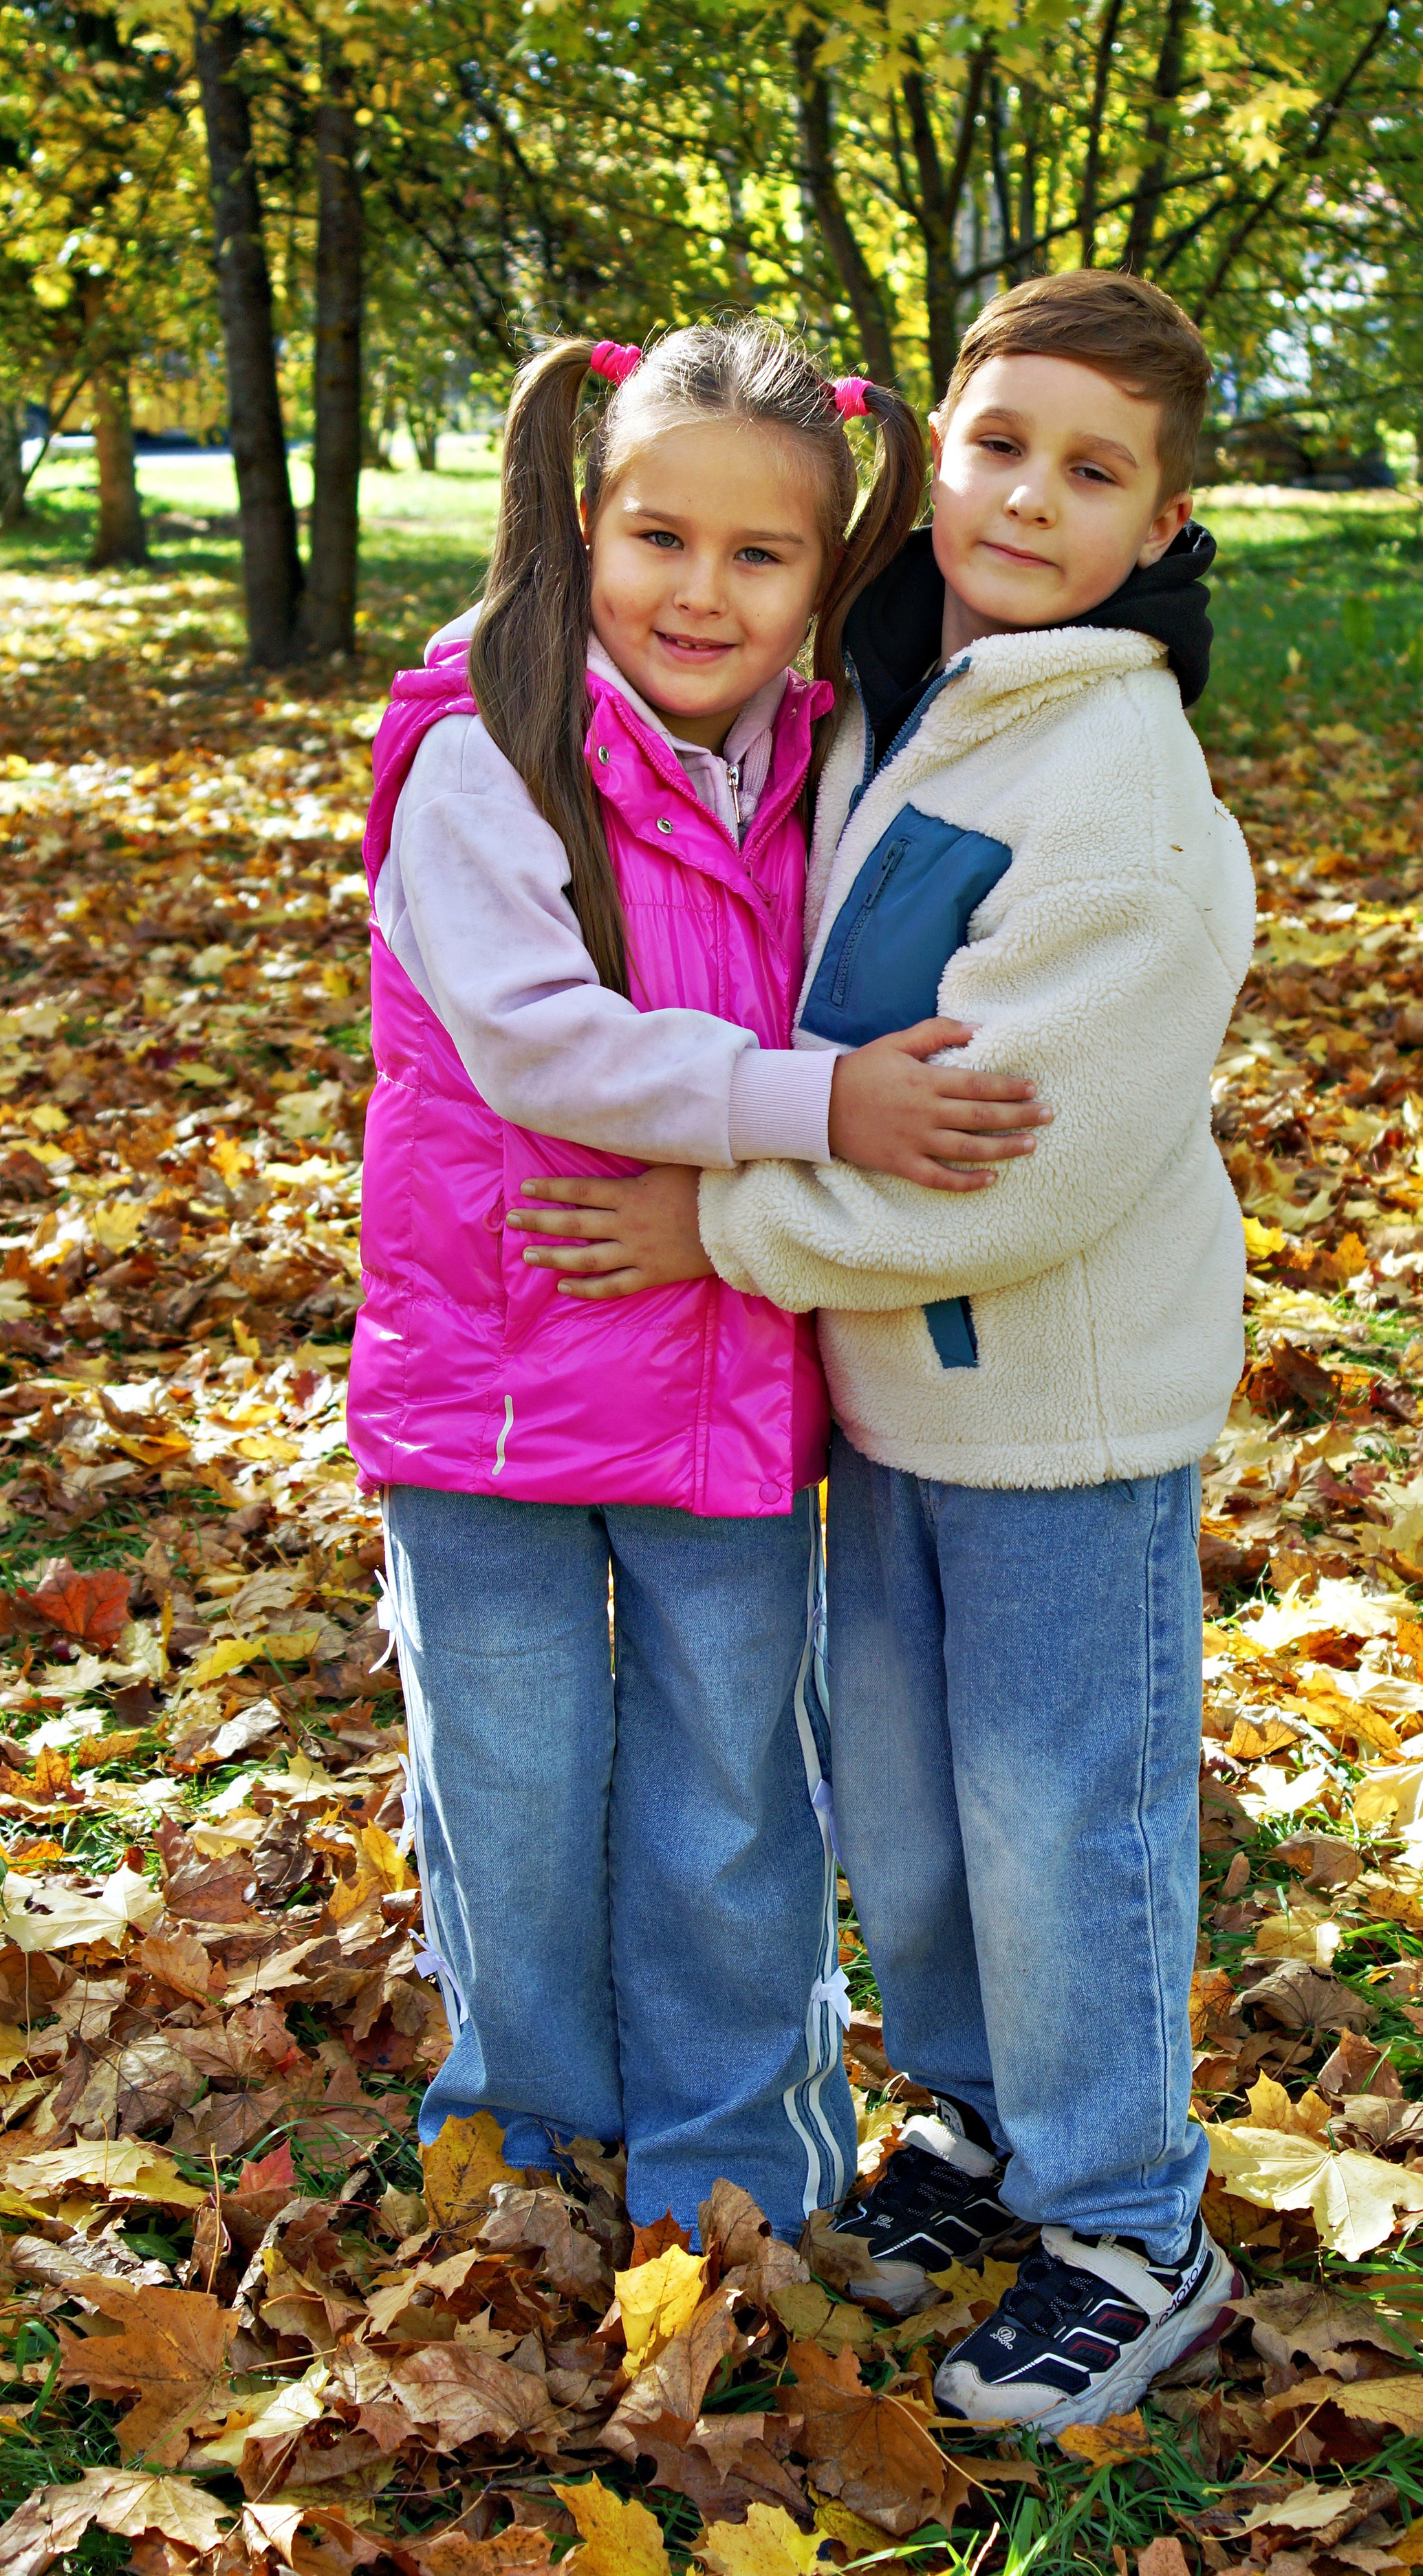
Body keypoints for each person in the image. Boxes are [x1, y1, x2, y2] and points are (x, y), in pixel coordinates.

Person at [519, 272, 1256, 2423]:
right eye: (996, 443)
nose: (1029, 496)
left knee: (1063, 1817)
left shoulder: (1124, 792)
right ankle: (982, 2124)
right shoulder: (899, 699)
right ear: (930, 455)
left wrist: (715, 1223)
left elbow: (1024, 1165)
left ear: (1161, 519)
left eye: (1090, 470)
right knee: (918, 1818)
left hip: (1063, 1411)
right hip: (894, 1396)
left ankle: (1133, 2220)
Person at [349, 318, 1049, 2240]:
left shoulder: (821, 764)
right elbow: (542, 1048)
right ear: (585, 522)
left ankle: (740, 2174)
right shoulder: (481, 754)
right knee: (509, 1785)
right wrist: (819, 1104)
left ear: (826, 577)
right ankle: (527, 2145)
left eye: (762, 557)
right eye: (660, 539)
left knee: (733, 1795)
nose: (701, 592)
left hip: (727, 1373)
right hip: (491, 1380)